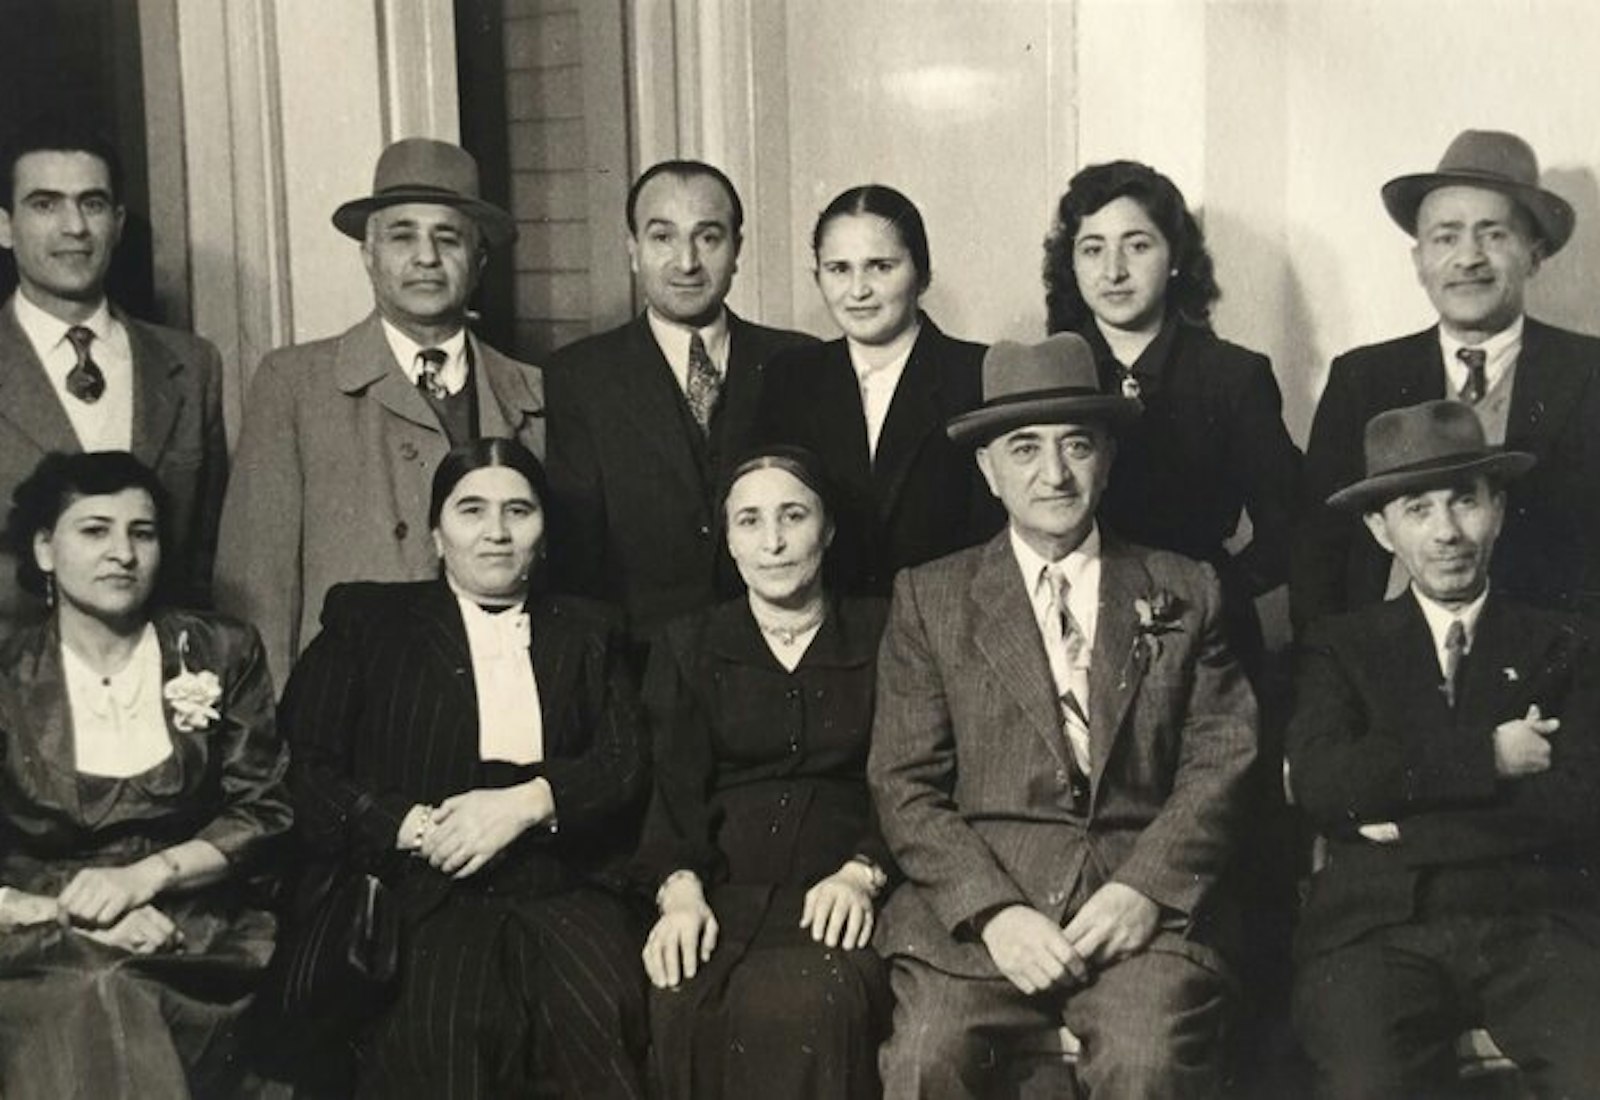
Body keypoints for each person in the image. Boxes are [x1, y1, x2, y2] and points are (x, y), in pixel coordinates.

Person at [869, 333, 1257, 1098]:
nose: (1053, 474)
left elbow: (1222, 763)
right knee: (923, 1060)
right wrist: (995, 914)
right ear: (987, 469)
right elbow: (904, 785)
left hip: (1140, 916)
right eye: (1024, 449)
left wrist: (1144, 889)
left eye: (1076, 445)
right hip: (981, 925)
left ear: (1108, 457)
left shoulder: (1186, 587)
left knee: (1147, 1060)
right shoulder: (930, 597)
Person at [282, 437, 649, 1099]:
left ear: (544, 532)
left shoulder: (590, 630)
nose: (497, 534)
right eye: (472, 510)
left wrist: (529, 802)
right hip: (422, 887)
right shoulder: (369, 620)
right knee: (441, 1032)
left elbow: (624, 764)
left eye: (519, 511)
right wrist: (413, 827)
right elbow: (303, 769)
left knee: (601, 1018)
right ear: (436, 532)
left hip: (561, 887)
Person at [1287, 399, 1600, 1098]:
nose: (1447, 532)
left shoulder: (1566, 642)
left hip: (1536, 924)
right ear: (1380, 528)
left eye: (1464, 502)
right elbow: (1323, 783)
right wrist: (1488, 756)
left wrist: (1401, 815)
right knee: (1364, 1081)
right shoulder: (1343, 646)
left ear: (1497, 505)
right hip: (1378, 934)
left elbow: (1581, 800)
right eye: (1417, 510)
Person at [0, 450, 290, 1100]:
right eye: (94, 529)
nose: (122, 553)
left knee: (117, 993)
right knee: (92, 992)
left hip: (191, 931)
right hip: (36, 939)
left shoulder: (220, 650)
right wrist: (69, 916)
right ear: (46, 549)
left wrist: (143, 879)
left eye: (142, 532)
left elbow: (264, 813)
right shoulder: (6, 675)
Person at [215, 138, 545, 688]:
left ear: (479, 259)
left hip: (498, 699)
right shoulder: (295, 384)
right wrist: (266, 736)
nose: (425, 258)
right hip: (350, 703)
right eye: (402, 237)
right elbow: (257, 584)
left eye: (448, 238)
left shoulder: (531, 392)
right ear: (368, 255)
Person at [636, 445, 892, 1099]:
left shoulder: (887, 631)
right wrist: (681, 892)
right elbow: (673, 791)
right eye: (749, 521)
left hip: (839, 895)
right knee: (680, 1001)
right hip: (722, 896)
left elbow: (916, 775)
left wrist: (863, 873)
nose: (773, 543)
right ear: (727, 538)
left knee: (817, 1008)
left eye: (793, 516)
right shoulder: (688, 644)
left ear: (828, 529)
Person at [1293, 129, 1600, 633]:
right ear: (1419, 262)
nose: (1469, 257)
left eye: (1494, 234)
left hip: (1562, 670)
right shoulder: (1362, 378)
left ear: (1535, 254)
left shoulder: (1589, 371)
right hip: (1391, 672)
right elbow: (1319, 556)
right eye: (1446, 236)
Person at [544, 160, 815, 655]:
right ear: (633, 250)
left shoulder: (799, 362)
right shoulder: (577, 377)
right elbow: (576, 562)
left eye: (708, 238)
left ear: (737, 250)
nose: (686, 261)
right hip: (639, 667)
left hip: (778, 663)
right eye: (663, 238)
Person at [1043, 160, 1300, 672]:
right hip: (1072, 636)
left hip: (1206, 641)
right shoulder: (1047, 373)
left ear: (1176, 257)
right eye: (1092, 249)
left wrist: (1207, 593)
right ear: (1070, 263)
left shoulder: (1233, 375)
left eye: (1137, 245)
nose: (1113, 270)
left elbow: (1290, 526)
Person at [0, 119, 228, 630]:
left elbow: (207, 559)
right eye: (45, 204)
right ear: (4, 226)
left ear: (118, 223)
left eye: (93, 203)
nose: (74, 227)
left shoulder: (191, 367)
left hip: (156, 677)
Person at [752, 185, 1002, 596]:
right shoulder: (790, 379)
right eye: (838, 269)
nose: (858, 290)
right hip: (828, 632)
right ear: (817, 276)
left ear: (922, 275)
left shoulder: (977, 373)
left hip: (947, 628)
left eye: (880, 267)